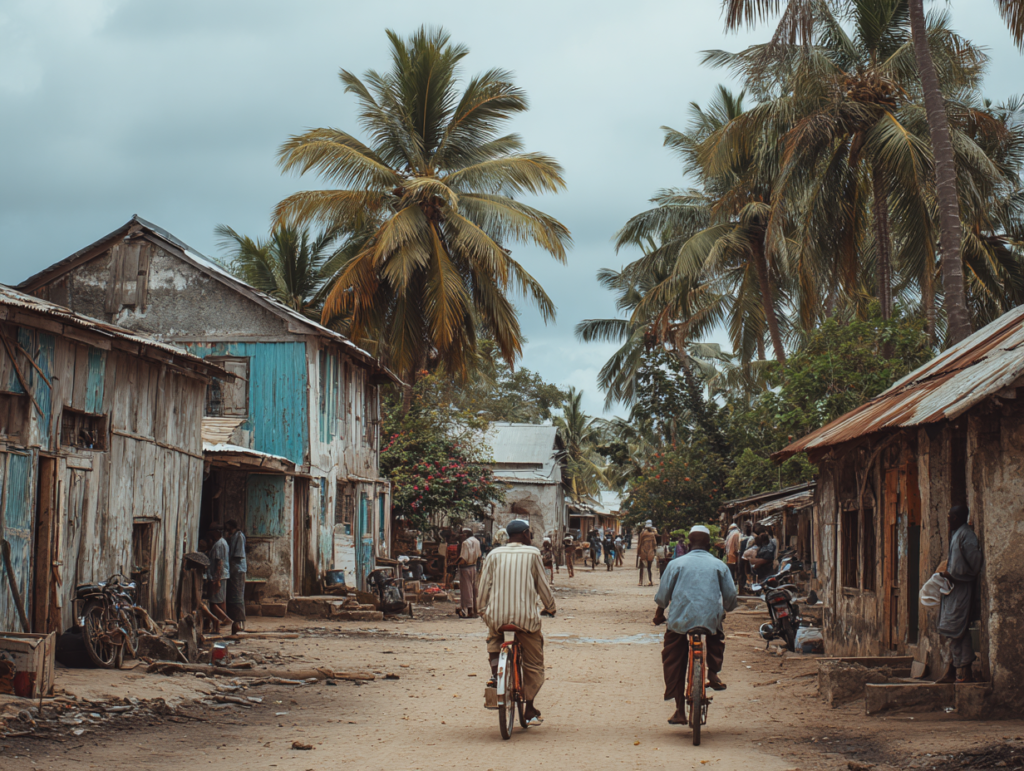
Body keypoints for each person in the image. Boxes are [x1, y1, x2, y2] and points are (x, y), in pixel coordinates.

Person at [653, 525, 738, 725]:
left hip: (680, 620)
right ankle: (713, 672)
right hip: (710, 618)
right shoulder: (719, 565)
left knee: (673, 656)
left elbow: (663, 596)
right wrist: (724, 609)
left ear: (689, 544)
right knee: (717, 636)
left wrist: (658, 615)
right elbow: (731, 597)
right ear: (709, 545)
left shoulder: (676, 564)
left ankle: (679, 710)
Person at [477, 519, 556, 727]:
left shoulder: (493, 555)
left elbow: (483, 585)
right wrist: (550, 606)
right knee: (533, 662)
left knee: (494, 639)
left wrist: (483, 611)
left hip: (497, 617)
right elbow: (542, 585)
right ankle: (529, 706)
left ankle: (496, 675)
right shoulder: (533, 554)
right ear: (524, 534)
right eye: (529, 532)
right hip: (525, 619)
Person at [935, 505, 982, 684]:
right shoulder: (957, 534)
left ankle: (964, 672)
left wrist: (953, 574)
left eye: (952, 517)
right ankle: (953, 669)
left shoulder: (967, 536)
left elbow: (974, 565)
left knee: (959, 630)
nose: (949, 520)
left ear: (959, 518)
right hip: (953, 590)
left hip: (963, 590)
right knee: (952, 630)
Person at [206, 527, 232, 630]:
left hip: (219, 576)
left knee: (213, 602)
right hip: (222, 575)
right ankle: (222, 620)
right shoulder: (222, 542)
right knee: (221, 600)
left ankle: (225, 619)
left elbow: (219, 562)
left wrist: (216, 579)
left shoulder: (219, 545)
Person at [224, 519, 247, 635]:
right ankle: (236, 622)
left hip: (237, 570)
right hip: (233, 569)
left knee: (237, 596)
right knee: (233, 596)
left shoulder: (239, 536)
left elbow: (237, 555)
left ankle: (238, 622)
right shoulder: (233, 537)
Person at [457, 527, 482, 618]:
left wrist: (455, 564)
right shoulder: (476, 541)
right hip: (474, 567)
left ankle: (469, 610)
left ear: (465, 534)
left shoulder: (465, 543)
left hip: (466, 568)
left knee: (466, 589)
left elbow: (463, 559)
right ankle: (475, 610)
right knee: (474, 589)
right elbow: (479, 555)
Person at [637, 521, 658, 587]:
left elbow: (640, 543)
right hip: (650, 553)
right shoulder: (652, 534)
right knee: (649, 568)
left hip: (643, 552)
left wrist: (638, 552)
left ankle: (641, 581)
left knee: (642, 567)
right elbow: (655, 544)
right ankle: (650, 580)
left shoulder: (642, 533)